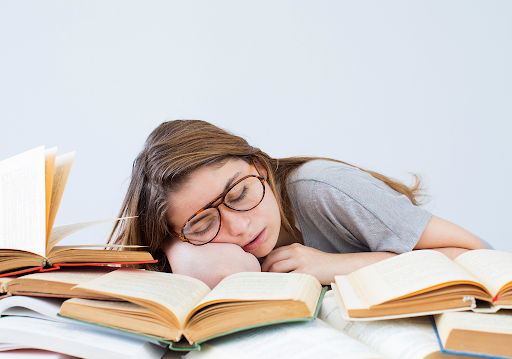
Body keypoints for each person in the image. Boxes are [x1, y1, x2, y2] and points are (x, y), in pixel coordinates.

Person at [109, 120, 486, 288]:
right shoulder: (191, 244)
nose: (239, 228)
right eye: (204, 224)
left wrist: (336, 266)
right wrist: (177, 243)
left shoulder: (322, 188)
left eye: (240, 194)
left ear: (258, 166)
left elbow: (476, 252)